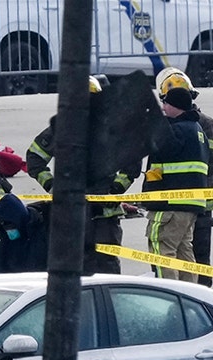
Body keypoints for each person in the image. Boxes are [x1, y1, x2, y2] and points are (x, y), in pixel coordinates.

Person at [26, 76, 139, 274]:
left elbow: (132, 164)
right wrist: (52, 185)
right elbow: (34, 156)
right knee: (74, 269)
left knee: (106, 267)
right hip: (72, 213)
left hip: (104, 214)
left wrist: (116, 189)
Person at [156, 68, 213, 287]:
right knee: (187, 253)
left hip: (200, 203)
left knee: (196, 255)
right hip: (191, 202)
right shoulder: (176, 125)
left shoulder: (206, 124)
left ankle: (200, 298)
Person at [143, 86, 209, 283]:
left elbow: (154, 147)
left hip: (169, 204)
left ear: (176, 106)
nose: (163, 108)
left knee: (162, 250)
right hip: (190, 205)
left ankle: (169, 295)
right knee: (184, 253)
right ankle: (191, 298)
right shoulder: (197, 130)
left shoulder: (176, 131)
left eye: (166, 104)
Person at [0, 194, 49, 273]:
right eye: (3, 224)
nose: (7, 228)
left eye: (9, 224)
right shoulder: (1, 237)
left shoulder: (41, 232)